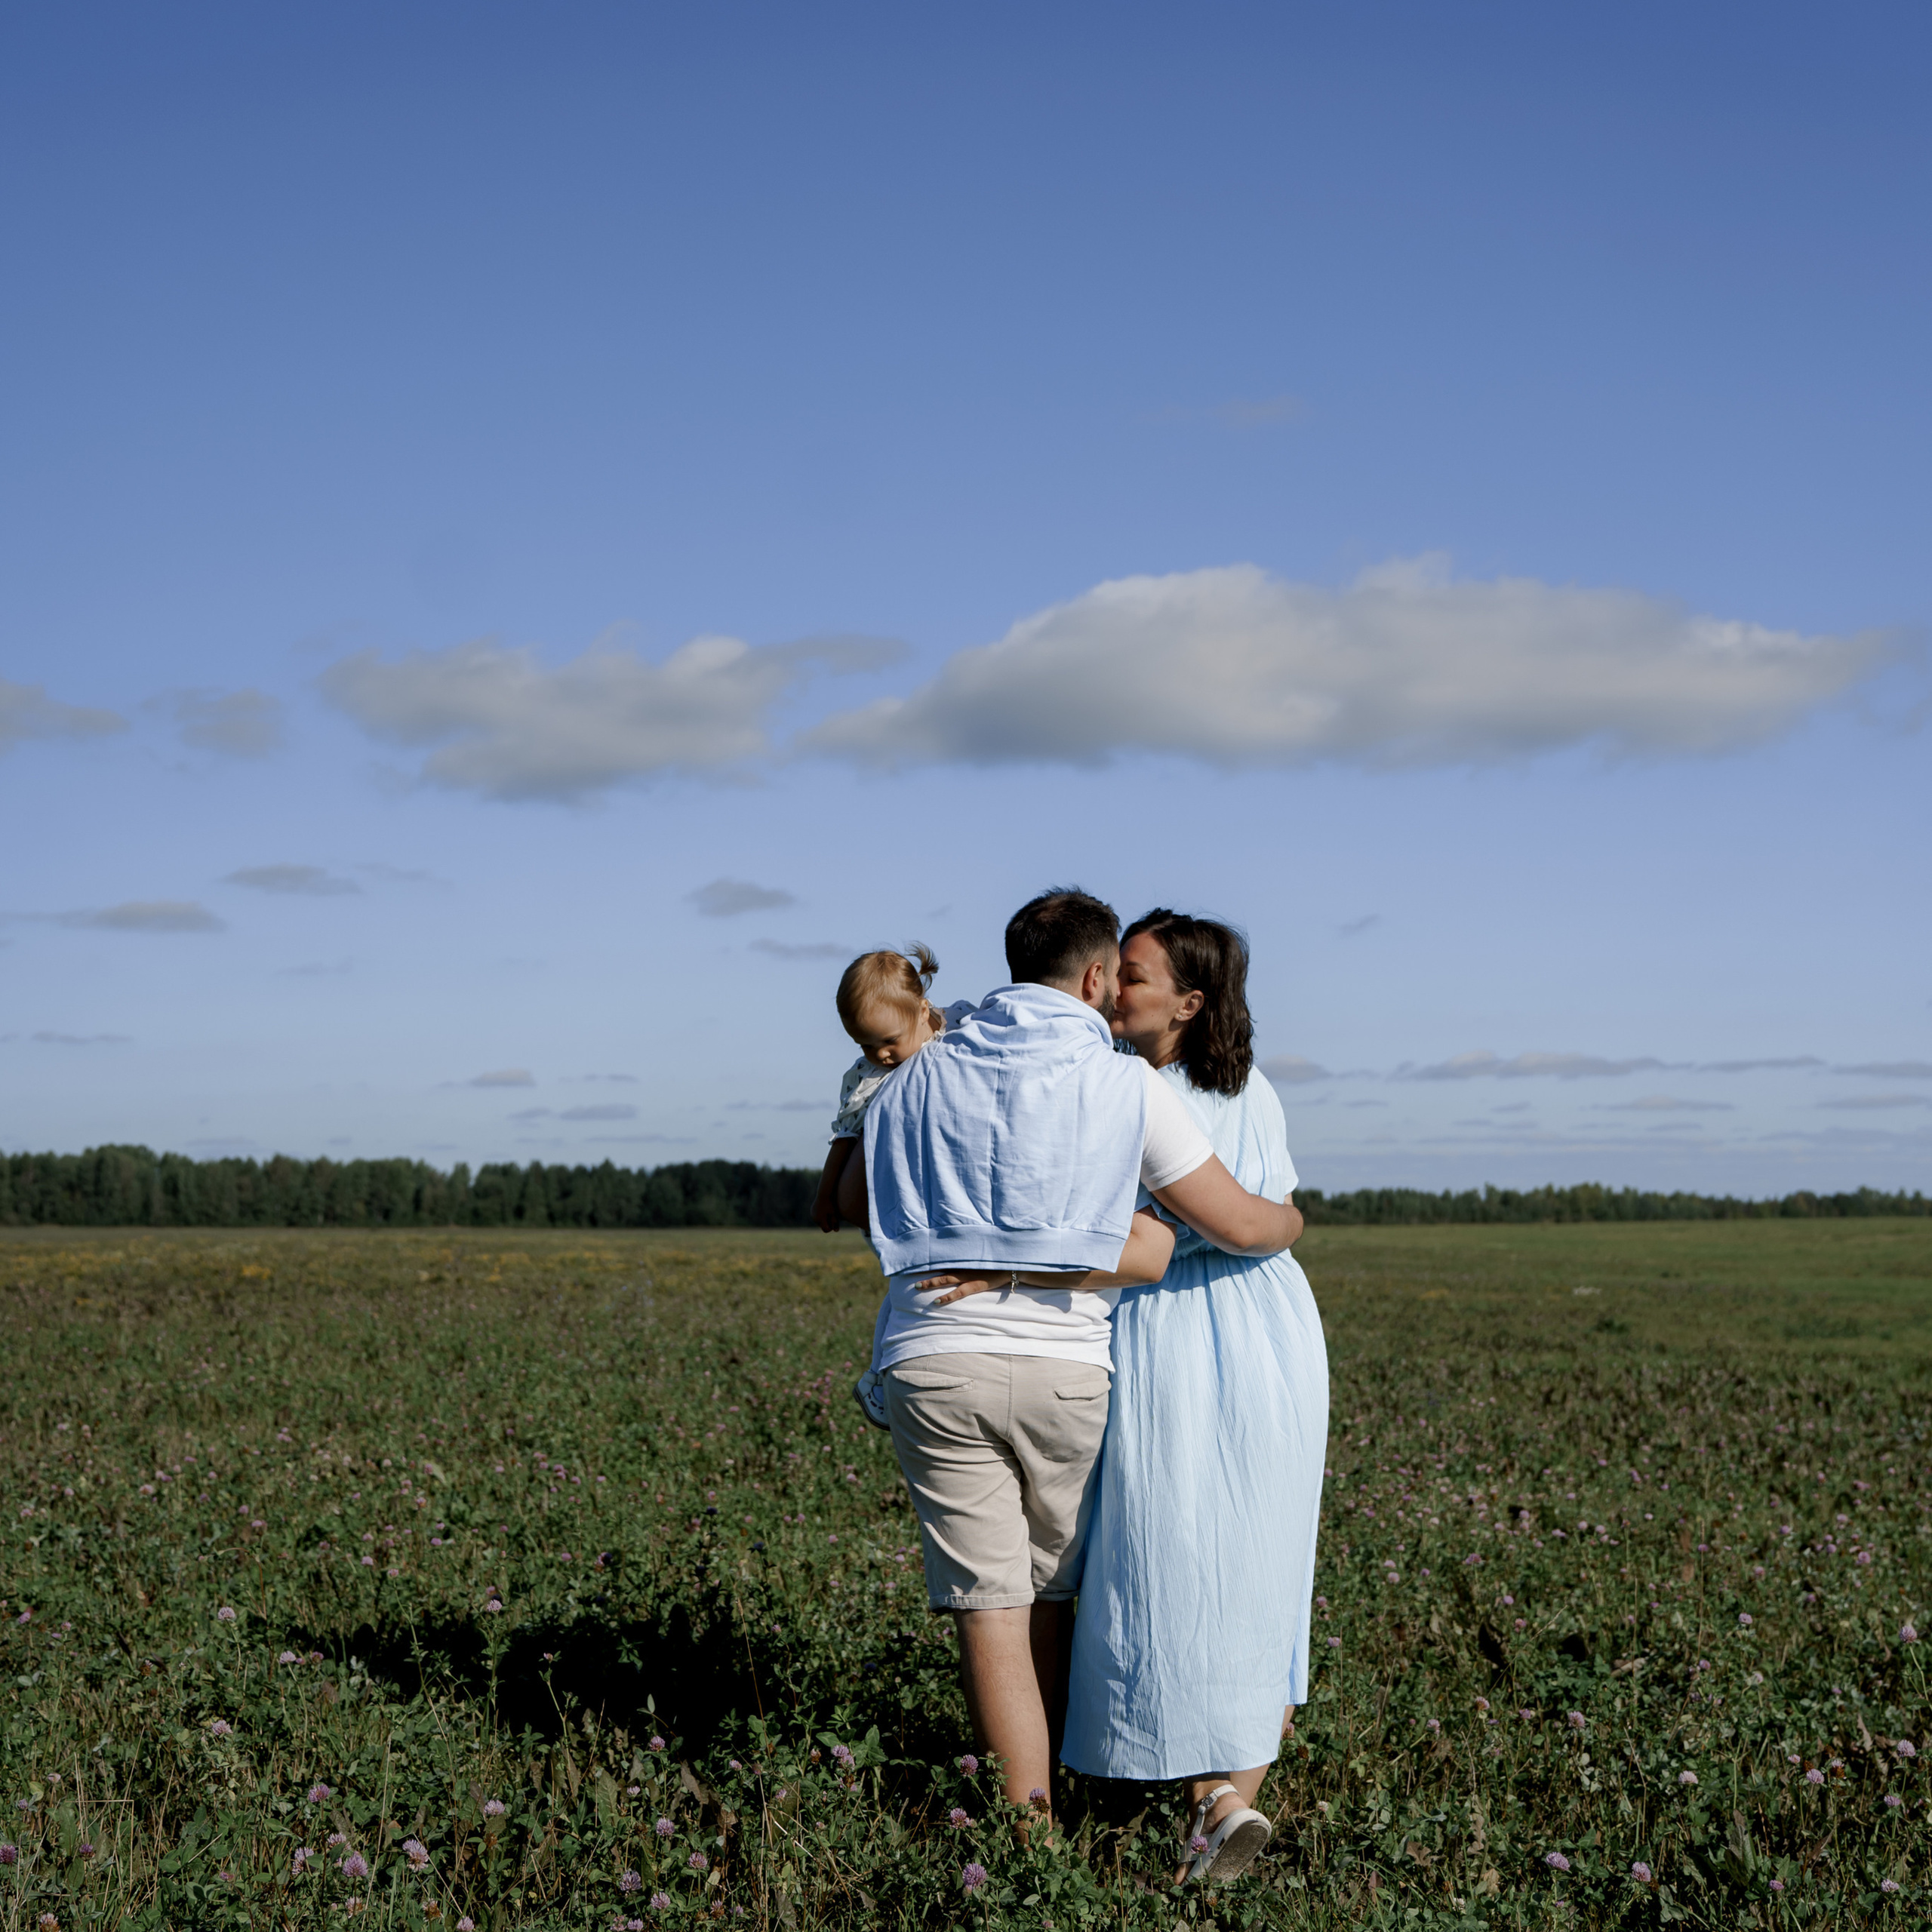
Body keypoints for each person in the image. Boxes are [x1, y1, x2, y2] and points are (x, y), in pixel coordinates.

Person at [838, 888, 1301, 1820]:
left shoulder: (916, 1072)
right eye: (1118, 972)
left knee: (989, 1604)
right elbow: (1201, 1232)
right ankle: (1165, 1791)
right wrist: (1292, 1218)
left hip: (933, 1357)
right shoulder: (1120, 1083)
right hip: (1069, 1361)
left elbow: (849, 1200)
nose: (1119, 989)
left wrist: (977, 1246)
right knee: (1081, 1584)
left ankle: (1033, 1824)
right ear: (1092, 977)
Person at [1061, 909, 1328, 1888]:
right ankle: (1219, 1802)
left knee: (1191, 1563)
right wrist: (1284, 1219)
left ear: (1190, 1000)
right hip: (1257, 1326)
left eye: (1129, 975)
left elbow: (1165, 1230)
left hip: (1186, 1334)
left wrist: (1267, 1223)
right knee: (1223, 1563)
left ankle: (1210, 1802)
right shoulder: (1241, 1088)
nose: (1107, 984)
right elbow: (1262, 1219)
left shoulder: (1126, 1092)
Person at [808, 943, 979, 1428]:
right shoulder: (870, 1075)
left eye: (886, 1041)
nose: (879, 1055)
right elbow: (845, 1135)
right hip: (894, 1204)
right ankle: (881, 1378)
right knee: (903, 1291)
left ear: (924, 1009)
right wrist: (825, 1194)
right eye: (863, 1045)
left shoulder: (964, 1025)